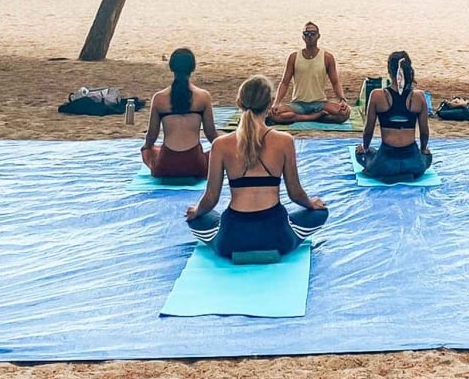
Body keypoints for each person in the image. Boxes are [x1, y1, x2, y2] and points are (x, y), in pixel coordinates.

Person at [187, 75, 329, 258]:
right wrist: (311, 203)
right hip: (276, 236)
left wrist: (196, 211)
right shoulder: (284, 141)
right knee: (320, 213)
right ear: (270, 104)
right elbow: (296, 194)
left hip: (232, 239)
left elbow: (211, 197)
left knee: (197, 218)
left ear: (239, 102)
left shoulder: (221, 144)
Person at [356, 50, 432, 182]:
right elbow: (424, 132)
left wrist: (365, 148)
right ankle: (407, 172)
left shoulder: (377, 95)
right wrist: (423, 149)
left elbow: (368, 131)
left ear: (389, 71)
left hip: (386, 163)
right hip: (413, 163)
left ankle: (389, 172)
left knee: (362, 154)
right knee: (428, 156)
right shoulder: (419, 97)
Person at [141, 48, 217, 179]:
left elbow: (151, 136)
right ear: (192, 68)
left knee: (148, 151)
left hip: (165, 164)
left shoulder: (159, 98)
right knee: (218, 154)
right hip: (196, 164)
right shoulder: (204, 97)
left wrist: (146, 148)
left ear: (171, 68)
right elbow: (211, 135)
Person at [268, 22, 351, 124]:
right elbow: (284, 82)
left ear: (318, 36)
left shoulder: (327, 57)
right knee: (273, 114)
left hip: (320, 104)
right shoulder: (294, 57)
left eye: (313, 33)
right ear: (303, 37)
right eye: (307, 34)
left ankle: (302, 117)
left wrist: (342, 100)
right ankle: (314, 117)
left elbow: (335, 82)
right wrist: (276, 103)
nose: (310, 36)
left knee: (344, 113)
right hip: (298, 104)